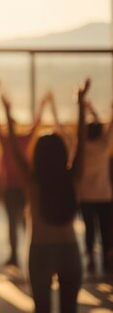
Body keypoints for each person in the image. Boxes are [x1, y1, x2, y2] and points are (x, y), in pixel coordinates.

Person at [2, 79, 89, 313]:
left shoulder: (33, 182)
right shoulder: (73, 178)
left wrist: (8, 115)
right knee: (69, 309)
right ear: (62, 155)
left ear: (38, 156)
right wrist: (81, 106)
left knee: (41, 309)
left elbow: (13, 148)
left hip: (39, 250)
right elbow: (81, 146)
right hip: (69, 249)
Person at [0, 93, 48, 267]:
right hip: (20, 188)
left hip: (12, 188)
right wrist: (42, 105)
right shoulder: (22, 139)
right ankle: (26, 253)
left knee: (14, 222)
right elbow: (36, 124)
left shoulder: (7, 140)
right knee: (23, 222)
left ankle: (15, 256)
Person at [76, 101, 113, 273]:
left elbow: (81, 133)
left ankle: (90, 260)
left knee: (89, 230)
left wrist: (84, 108)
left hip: (85, 197)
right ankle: (106, 260)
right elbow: (109, 127)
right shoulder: (104, 146)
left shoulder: (82, 149)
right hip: (105, 196)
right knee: (106, 230)